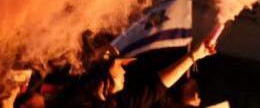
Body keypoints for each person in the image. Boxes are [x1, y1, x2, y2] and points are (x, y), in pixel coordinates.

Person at [50, 39, 215, 108]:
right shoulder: (77, 102)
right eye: (118, 65)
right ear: (102, 78)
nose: (123, 70)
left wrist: (195, 55)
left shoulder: (118, 102)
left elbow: (155, 87)